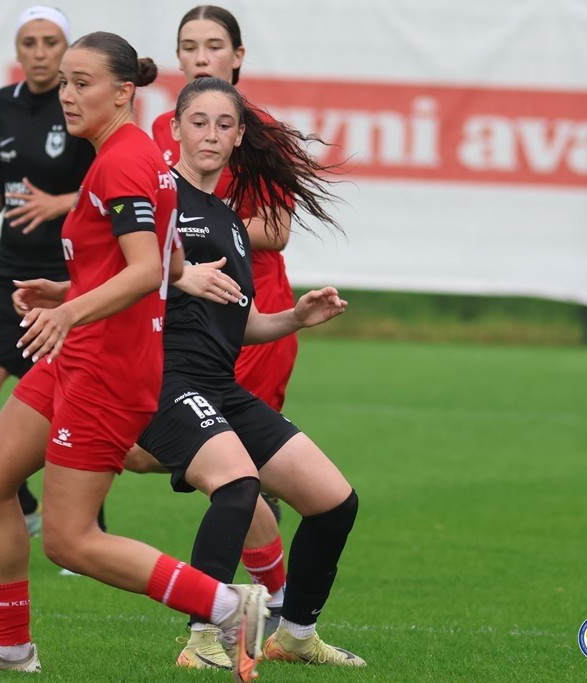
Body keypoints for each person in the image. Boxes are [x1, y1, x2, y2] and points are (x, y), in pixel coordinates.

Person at [0, 32, 271, 682]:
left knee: (70, 539)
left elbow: (145, 270)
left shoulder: (123, 162)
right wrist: (69, 291)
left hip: (107, 367)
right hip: (80, 354)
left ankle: (229, 606)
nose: (66, 94)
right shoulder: (133, 155)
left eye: (81, 83)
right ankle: (10, 652)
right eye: (64, 82)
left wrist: (68, 312)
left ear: (123, 92)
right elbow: (166, 262)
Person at [136, 76, 367, 671]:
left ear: (239, 136)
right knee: (238, 487)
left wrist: (295, 318)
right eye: (198, 122)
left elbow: (240, 323)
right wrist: (175, 275)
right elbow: (117, 275)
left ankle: (296, 636)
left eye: (224, 125)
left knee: (334, 502)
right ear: (175, 128)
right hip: (165, 380)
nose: (210, 135)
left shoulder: (233, 222)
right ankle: (201, 640)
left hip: (220, 386)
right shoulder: (158, 199)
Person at [129, 4, 292, 621]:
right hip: (181, 320)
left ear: (238, 56)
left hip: (251, 320)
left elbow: (276, 228)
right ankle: (266, 608)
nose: (201, 57)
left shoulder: (258, 132)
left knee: (238, 475)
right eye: (190, 46)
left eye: (214, 46)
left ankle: (261, 611)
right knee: (158, 453)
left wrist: (203, 231)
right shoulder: (160, 133)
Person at [0, 6, 97, 537]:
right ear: (17, 50)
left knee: (69, 411)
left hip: (64, 280)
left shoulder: (80, 105)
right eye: (29, 43)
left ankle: (88, 525)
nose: (39, 53)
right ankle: (27, 506)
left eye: (50, 42)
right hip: (8, 276)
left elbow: (110, 184)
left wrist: (58, 203)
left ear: (66, 49)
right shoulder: (2, 103)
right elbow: (3, 166)